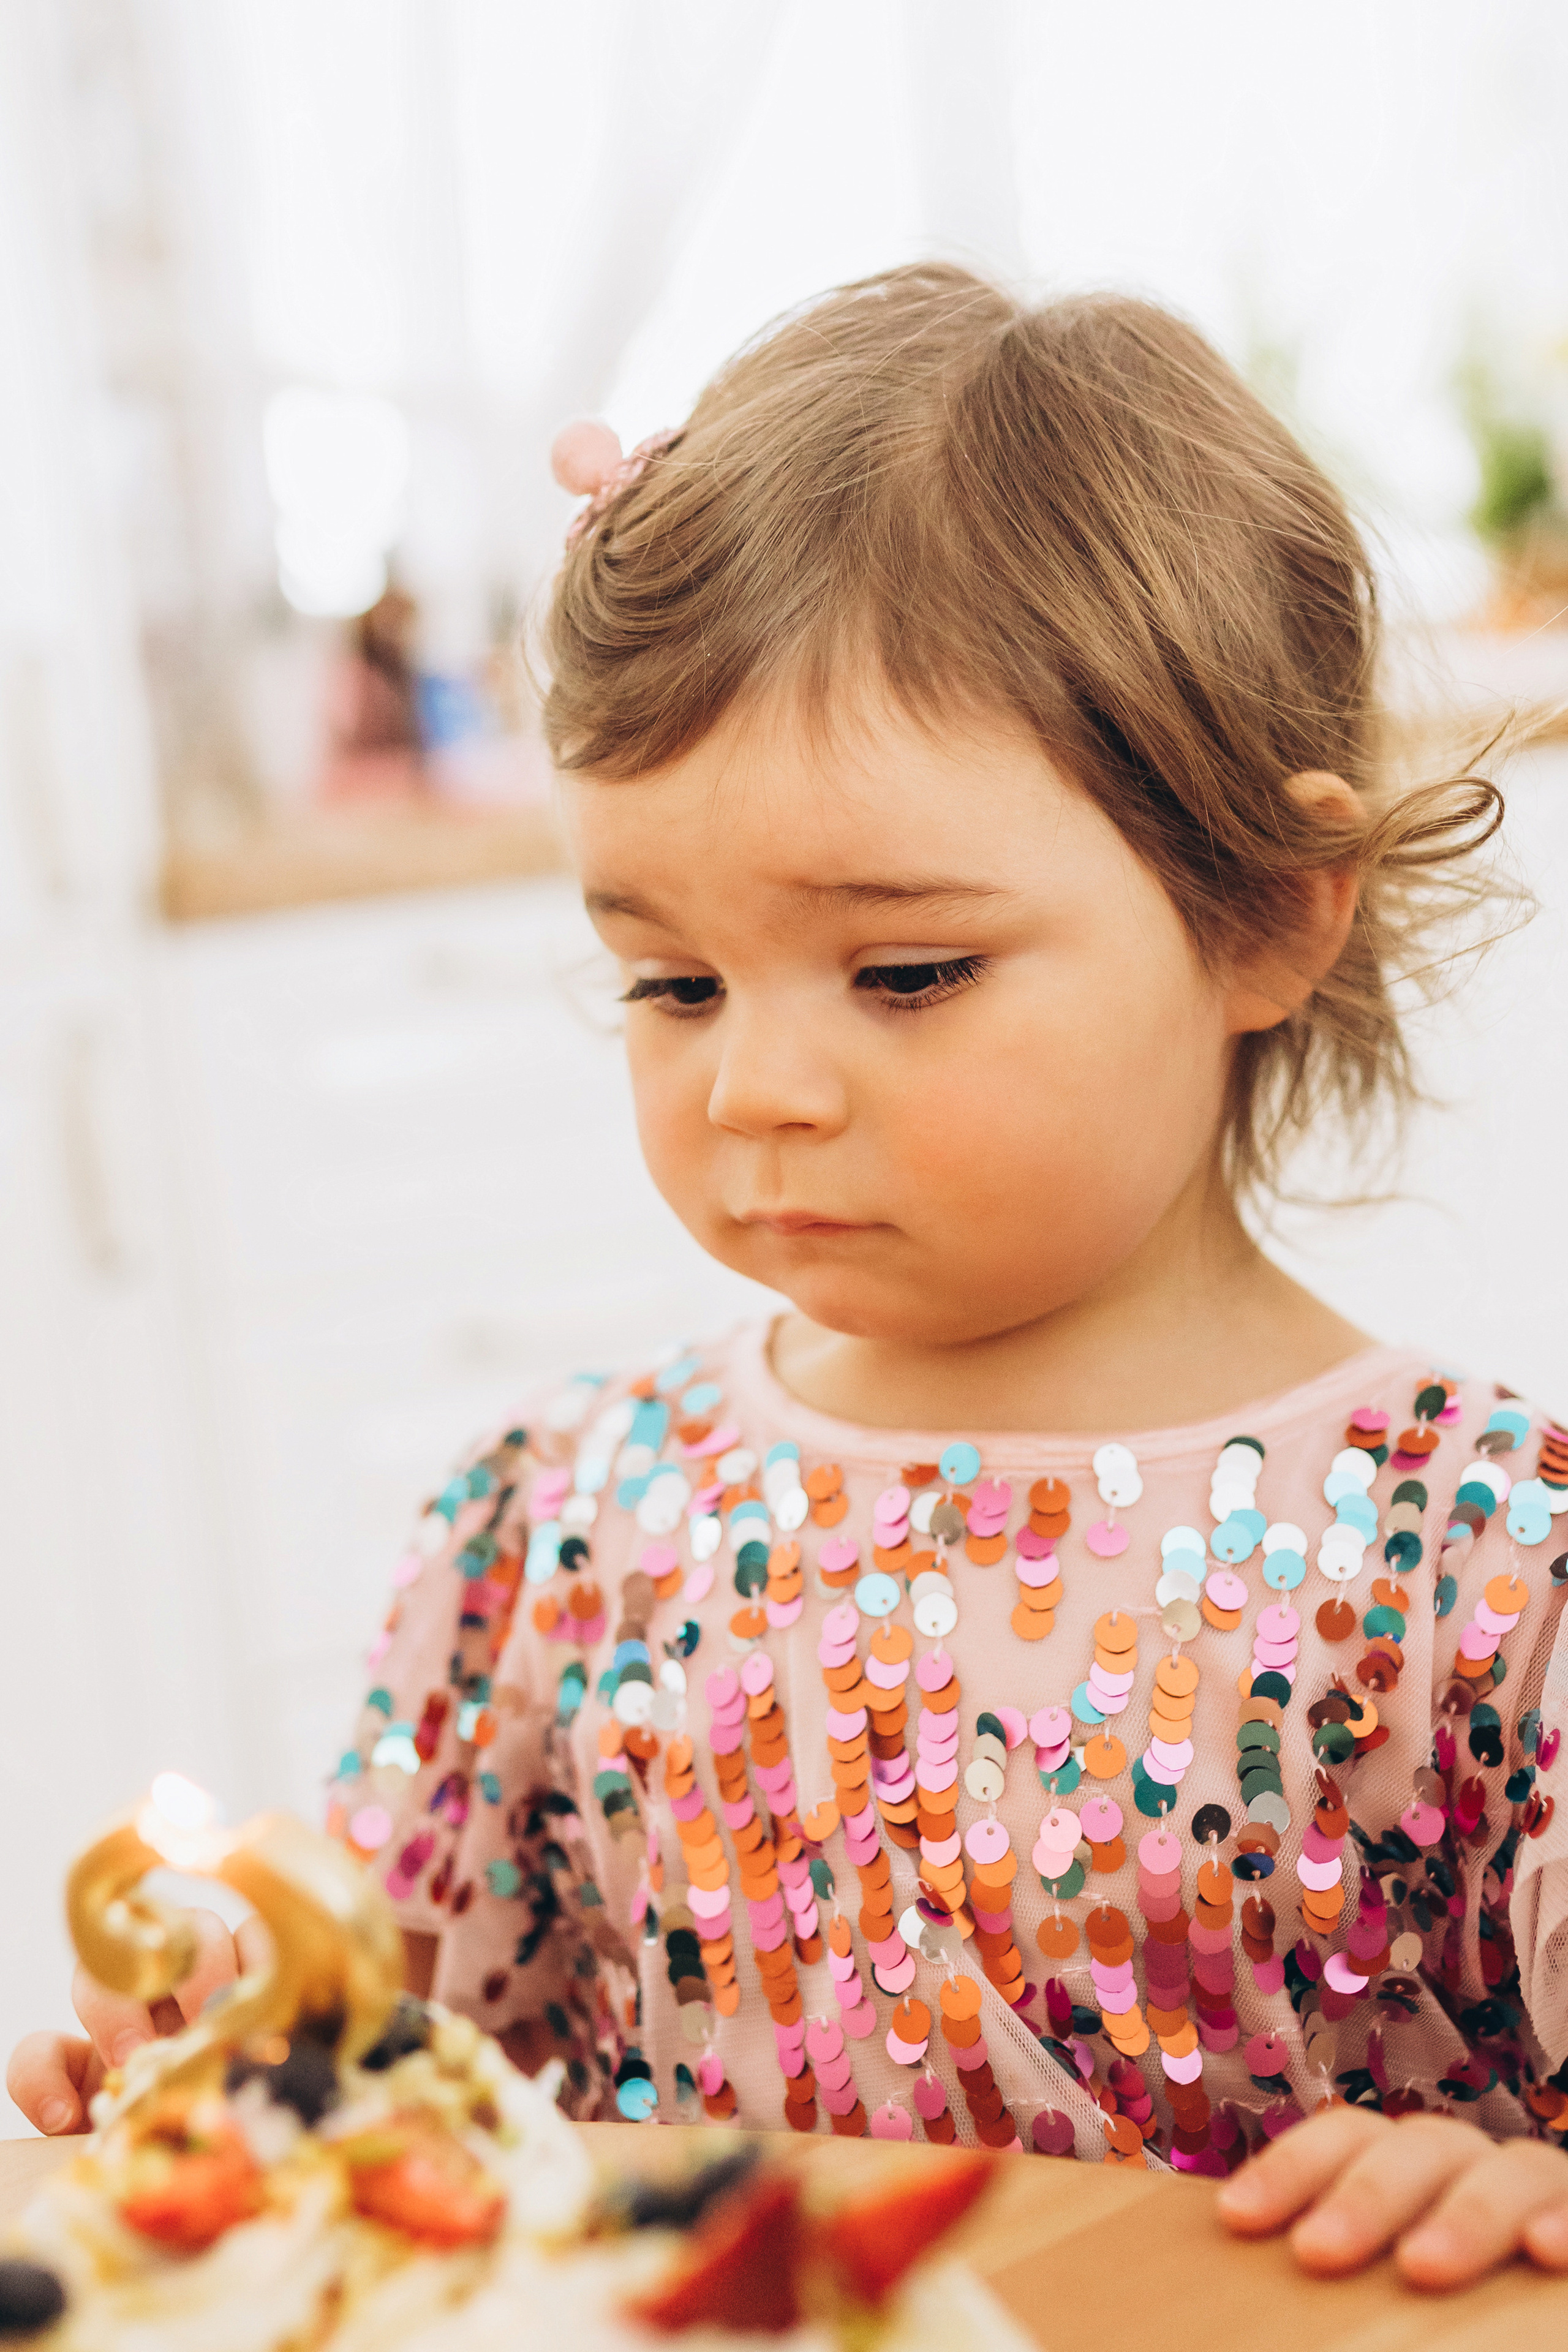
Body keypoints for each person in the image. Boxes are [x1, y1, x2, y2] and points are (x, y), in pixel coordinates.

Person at [12, 265, 1568, 2290]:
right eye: (670, 979)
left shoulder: (1486, 1567)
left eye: (905, 970)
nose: (751, 1086)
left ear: (1266, 916)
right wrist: (245, 2073)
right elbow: (408, 2106)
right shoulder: (553, 1532)